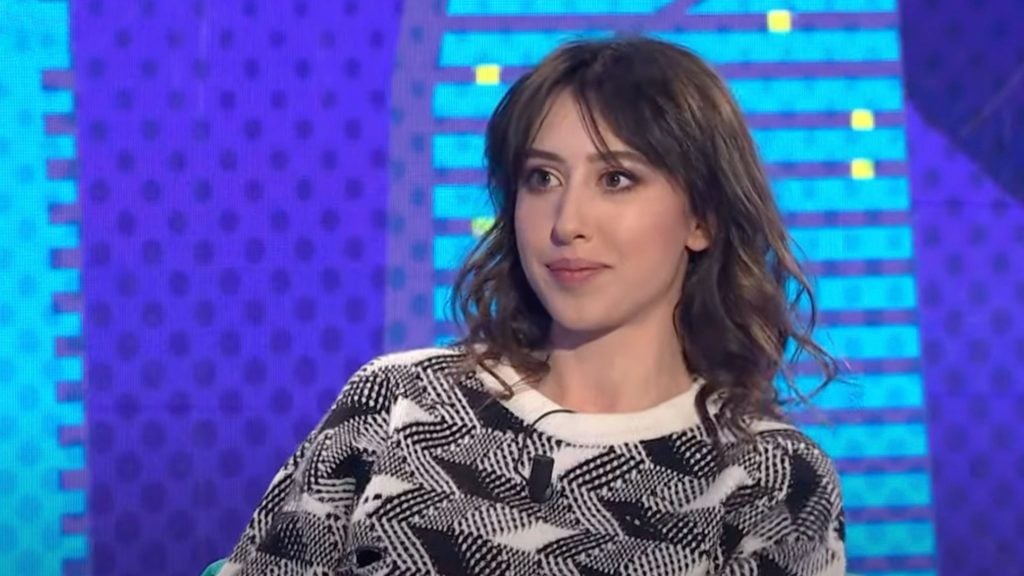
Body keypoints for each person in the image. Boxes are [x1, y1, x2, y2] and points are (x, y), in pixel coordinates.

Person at [217, 36, 846, 575]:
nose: (567, 222)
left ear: (701, 217)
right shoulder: (397, 406)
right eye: (542, 179)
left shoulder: (769, 477)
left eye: (616, 179)